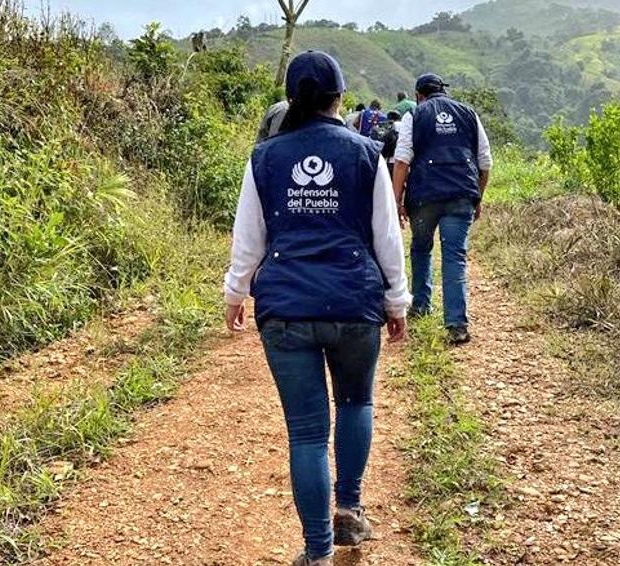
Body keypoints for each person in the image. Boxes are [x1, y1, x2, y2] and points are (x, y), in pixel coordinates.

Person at [223, 50, 411, 566]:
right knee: (355, 403)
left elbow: (249, 238)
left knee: (307, 432)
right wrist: (397, 300)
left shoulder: (264, 157)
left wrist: (235, 294)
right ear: (340, 99)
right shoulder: (365, 153)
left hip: (286, 310)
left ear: (290, 99)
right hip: (354, 303)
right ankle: (349, 508)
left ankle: (317, 553)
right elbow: (386, 235)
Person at [392, 73, 492, 345]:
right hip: (461, 195)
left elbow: (402, 160)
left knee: (421, 248)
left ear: (418, 95)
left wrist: (396, 201)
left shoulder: (415, 115)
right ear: (443, 92)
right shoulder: (469, 113)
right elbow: (485, 162)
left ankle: (421, 305)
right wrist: (477, 198)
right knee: (454, 257)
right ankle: (457, 325)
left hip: (424, 198)